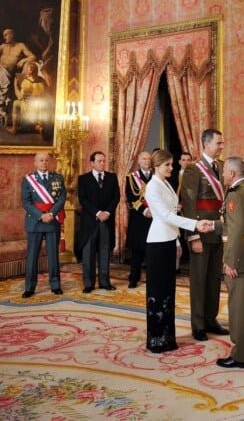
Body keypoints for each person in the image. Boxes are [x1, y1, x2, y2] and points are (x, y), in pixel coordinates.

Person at [144, 149, 213, 353]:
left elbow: (174, 211)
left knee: (168, 292)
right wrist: (195, 224)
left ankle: (168, 337)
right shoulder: (152, 187)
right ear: (156, 166)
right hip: (157, 242)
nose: (171, 168)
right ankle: (156, 339)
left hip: (169, 240)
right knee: (157, 292)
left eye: (171, 164)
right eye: (167, 165)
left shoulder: (165, 183)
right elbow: (165, 215)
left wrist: (176, 240)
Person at [210, 156, 244, 368]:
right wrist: (214, 226)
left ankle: (241, 356)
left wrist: (230, 261)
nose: (222, 175)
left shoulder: (235, 195)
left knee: (239, 310)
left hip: (240, 259)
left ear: (232, 174)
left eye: (224, 172)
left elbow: (236, 231)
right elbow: (235, 223)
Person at [181, 128, 229, 341]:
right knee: (199, 280)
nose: (221, 147)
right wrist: (193, 236)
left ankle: (211, 319)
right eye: (218, 143)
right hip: (200, 231)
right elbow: (189, 205)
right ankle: (198, 324)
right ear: (206, 144)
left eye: (221, 143)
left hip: (217, 230)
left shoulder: (221, 166)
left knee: (213, 279)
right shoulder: (193, 169)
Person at [21, 152, 66, 298]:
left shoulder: (58, 178)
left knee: (53, 255)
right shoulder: (28, 180)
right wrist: (41, 216)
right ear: (35, 162)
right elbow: (26, 203)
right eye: (41, 160)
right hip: (35, 222)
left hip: (52, 221)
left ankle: (55, 285)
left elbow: (61, 199)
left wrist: (51, 214)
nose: (44, 163)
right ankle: (30, 287)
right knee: (32, 256)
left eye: (46, 160)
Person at [77, 151, 120, 293]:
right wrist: (97, 213)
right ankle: (88, 283)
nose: (103, 163)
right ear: (92, 163)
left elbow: (116, 197)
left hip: (106, 221)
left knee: (104, 252)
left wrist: (107, 212)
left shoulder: (112, 177)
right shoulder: (83, 179)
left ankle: (104, 282)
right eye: (100, 161)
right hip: (90, 222)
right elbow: (83, 200)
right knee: (88, 253)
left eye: (104, 161)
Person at [125, 151, 152, 288]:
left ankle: (152, 279)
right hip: (138, 219)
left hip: (154, 218)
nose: (147, 161)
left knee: (152, 251)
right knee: (137, 252)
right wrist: (144, 210)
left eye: (148, 159)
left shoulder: (157, 177)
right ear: (139, 162)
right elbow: (131, 197)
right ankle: (133, 278)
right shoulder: (131, 178)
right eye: (144, 159)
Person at [5, 61, 50, 135]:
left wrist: (15, 85)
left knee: (16, 103)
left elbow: (20, 97)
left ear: (29, 71)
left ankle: (14, 129)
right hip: (41, 105)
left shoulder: (26, 82)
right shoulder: (41, 80)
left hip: (30, 107)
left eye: (26, 69)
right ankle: (40, 128)